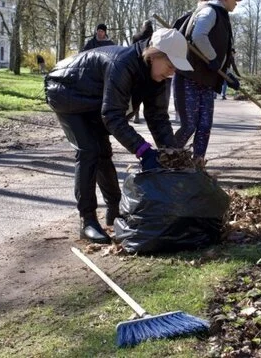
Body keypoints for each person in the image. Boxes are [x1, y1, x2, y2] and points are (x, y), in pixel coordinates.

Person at [44, 28, 193, 244]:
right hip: (66, 90)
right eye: (170, 66)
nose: (171, 73)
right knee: (89, 151)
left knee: (103, 151)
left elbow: (158, 118)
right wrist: (143, 151)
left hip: (94, 95)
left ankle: (114, 210)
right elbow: (113, 116)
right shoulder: (123, 64)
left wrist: (173, 156)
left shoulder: (157, 77)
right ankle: (87, 222)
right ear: (154, 55)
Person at [174, 0, 243, 166]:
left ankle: (198, 164)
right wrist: (211, 57)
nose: (236, 3)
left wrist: (228, 75)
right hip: (189, 78)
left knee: (204, 126)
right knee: (189, 126)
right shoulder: (209, 11)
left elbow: (222, 54)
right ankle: (167, 160)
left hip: (207, 81)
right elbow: (198, 36)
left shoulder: (222, 16)